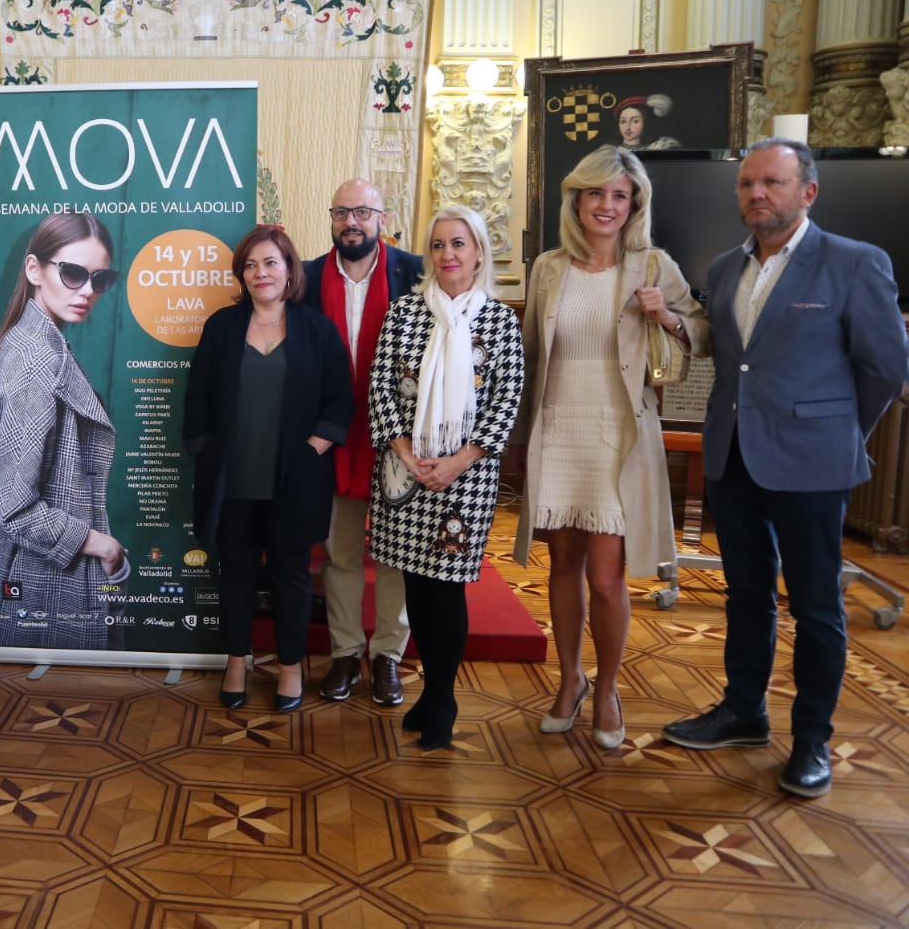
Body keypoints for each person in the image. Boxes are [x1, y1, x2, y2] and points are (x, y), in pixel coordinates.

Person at [662, 138, 909, 799]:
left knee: (817, 606)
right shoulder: (725, 268)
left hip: (813, 465)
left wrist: (838, 431)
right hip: (735, 455)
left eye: (772, 182)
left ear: (808, 191)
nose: (756, 194)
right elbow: (734, 361)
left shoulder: (855, 262)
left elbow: (886, 367)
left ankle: (811, 740)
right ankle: (743, 712)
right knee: (746, 595)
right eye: (747, 184)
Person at [512, 146, 708, 749]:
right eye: (596, 193)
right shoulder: (549, 268)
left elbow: (702, 333)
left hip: (618, 436)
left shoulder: (653, 265)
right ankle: (570, 680)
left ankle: (608, 688)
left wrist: (668, 317)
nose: (607, 205)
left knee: (605, 576)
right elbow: (531, 356)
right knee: (562, 567)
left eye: (620, 195)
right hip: (557, 429)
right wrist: (517, 439)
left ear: (634, 205)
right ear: (577, 199)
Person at [369, 205, 523, 749]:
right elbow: (381, 387)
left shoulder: (499, 321)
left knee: (446, 587)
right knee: (415, 583)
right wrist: (408, 455)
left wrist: (457, 461)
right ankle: (432, 695)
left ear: (479, 252)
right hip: (406, 472)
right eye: (438, 245)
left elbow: (506, 402)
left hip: (467, 475)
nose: (448, 254)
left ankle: (442, 696)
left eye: (459, 244)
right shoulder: (404, 313)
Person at [185, 225, 352, 713]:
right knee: (235, 573)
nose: (261, 273)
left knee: (290, 576)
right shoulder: (222, 326)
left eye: (270, 263)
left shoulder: (316, 329)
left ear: (289, 270)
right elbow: (197, 396)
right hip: (232, 479)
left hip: (294, 479)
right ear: (242, 274)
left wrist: (311, 450)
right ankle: (238, 660)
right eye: (251, 265)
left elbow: (340, 400)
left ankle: (291, 666)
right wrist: (206, 448)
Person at [0, 211, 124, 650]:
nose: (87, 291)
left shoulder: (33, 341)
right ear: (34, 269)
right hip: (40, 579)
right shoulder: (35, 361)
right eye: (74, 273)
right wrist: (101, 545)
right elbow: (13, 505)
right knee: (58, 689)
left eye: (100, 279)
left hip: (39, 575)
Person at [302, 178, 423, 706]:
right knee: (341, 550)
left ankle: (388, 654)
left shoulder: (415, 273)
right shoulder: (306, 278)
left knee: (396, 551)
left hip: (399, 437)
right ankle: (346, 652)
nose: (351, 222)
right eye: (341, 212)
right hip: (333, 434)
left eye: (362, 212)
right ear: (331, 219)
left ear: (382, 219)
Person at [615, 95, 680, 151]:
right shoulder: (613, 151)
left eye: (635, 121)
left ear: (645, 122)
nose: (627, 127)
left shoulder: (659, 147)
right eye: (623, 121)